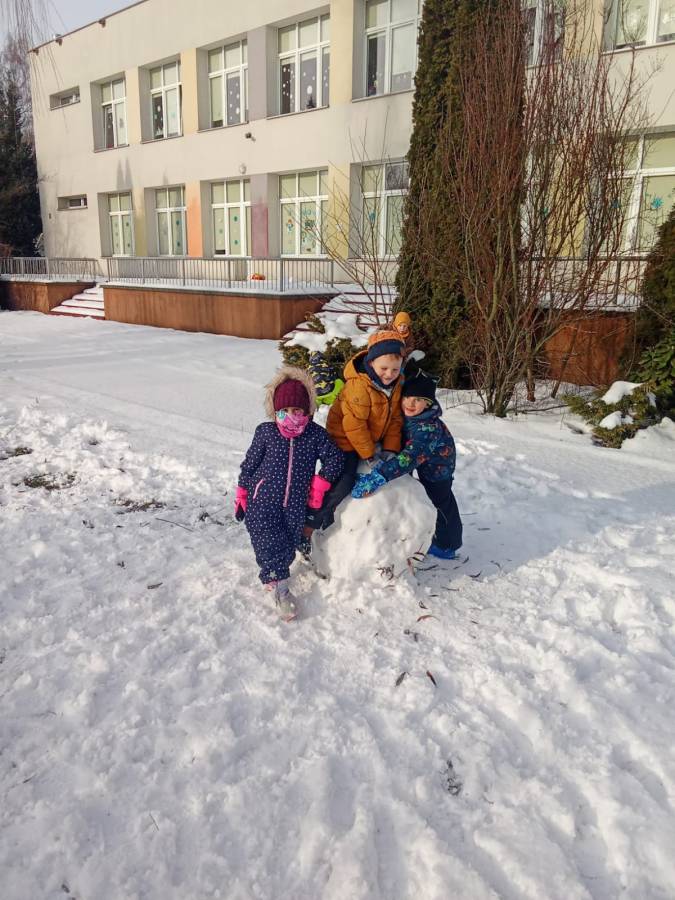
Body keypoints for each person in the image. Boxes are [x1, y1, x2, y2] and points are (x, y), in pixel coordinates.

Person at [235, 367, 344, 619]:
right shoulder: (266, 432)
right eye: (284, 411)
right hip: (262, 501)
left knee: (287, 545)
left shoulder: (314, 435)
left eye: (297, 411)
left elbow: (335, 459)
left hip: (295, 505)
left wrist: (320, 483)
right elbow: (250, 464)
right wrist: (242, 491)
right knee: (268, 542)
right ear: (275, 410)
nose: (291, 417)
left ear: (308, 411)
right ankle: (280, 588)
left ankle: (276, 573)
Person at [350, 362, 463, 560]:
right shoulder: (408, 416)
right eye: (407, 397)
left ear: (428, 403)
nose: (410, 404)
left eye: (418, 400)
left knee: (441, 501)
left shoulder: (428, 428)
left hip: (438, 469)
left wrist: (380, 476)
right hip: (421, 460)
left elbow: (408, 458)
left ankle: (448, 544)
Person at [303, 329, 405, 535]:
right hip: (344, 439)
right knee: (344, 480)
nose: (389, 374)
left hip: (369, 438)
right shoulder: (359, 386)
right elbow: (354, 425)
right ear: (371, 362)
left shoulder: (395, 385)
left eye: (395, 369)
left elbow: (395, 419)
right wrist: (369, 455)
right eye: (384, 368)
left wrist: (390, 449)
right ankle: (310, 524)